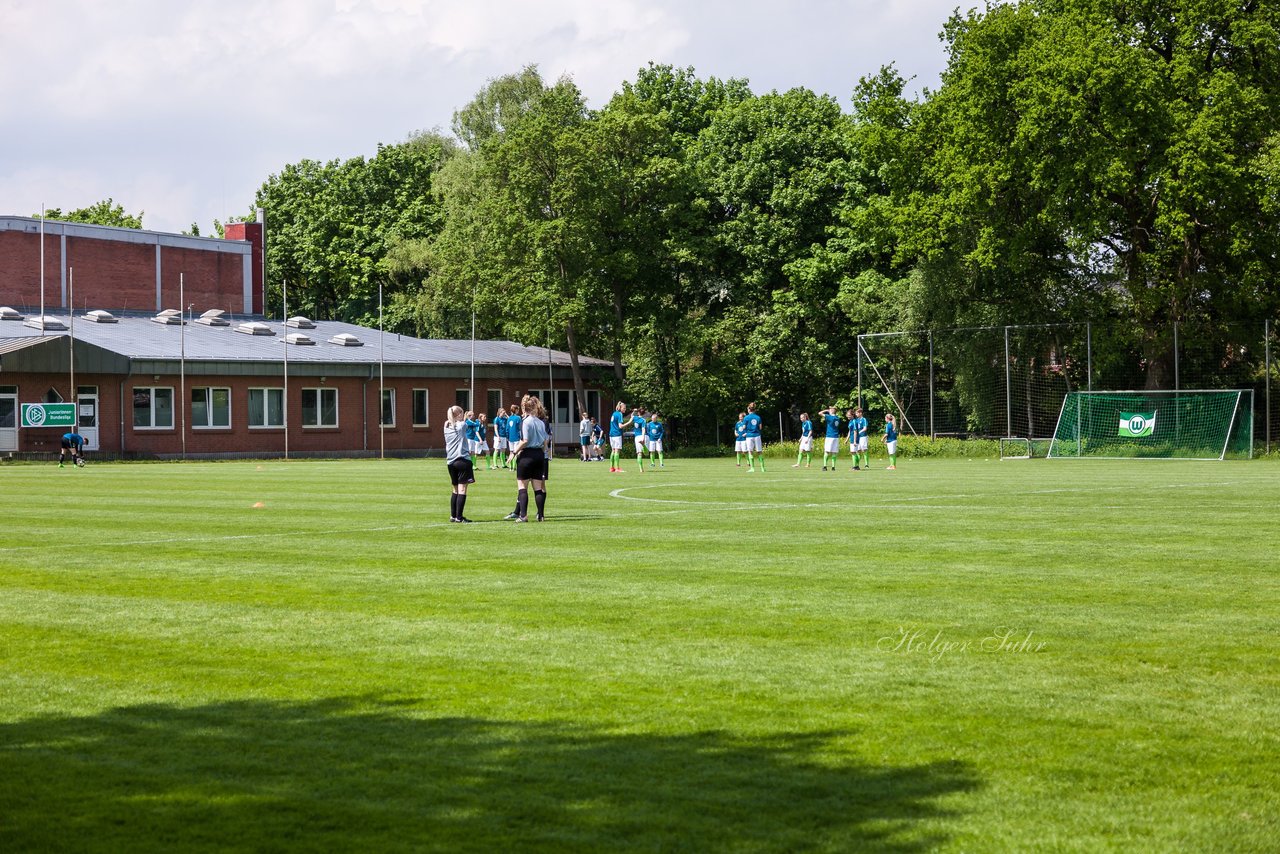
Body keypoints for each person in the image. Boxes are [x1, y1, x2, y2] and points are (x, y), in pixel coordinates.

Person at [508, 394, 551, 522]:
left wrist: (514, 452)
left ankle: (523, 515)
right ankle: (541, 515)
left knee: (522, 486)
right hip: (539, 455)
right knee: (538, 487)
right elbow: (545, 442)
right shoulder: (541, 422)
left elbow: (524, 441)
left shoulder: (526, 422)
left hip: (527, 455)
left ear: (525, 409)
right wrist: (545, 454)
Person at [443, 406, 475, 522]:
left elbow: (452, 422)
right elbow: (465, 424)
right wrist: (464, 417)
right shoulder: (461, 425)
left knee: (455, 490)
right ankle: (459, 517)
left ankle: (453, 515)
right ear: (459, 414)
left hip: (450, 462)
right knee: (462, 490)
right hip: (462, 460)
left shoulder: (446, 426)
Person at [608, 401, 634, 473]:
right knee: (617, 450)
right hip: (617, 434)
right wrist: (629, 421)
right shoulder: (619, 414)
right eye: (624, 408)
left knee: (613, 450)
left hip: (611, 434)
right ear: (620, 408)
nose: (625, 409)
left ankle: (612, 468)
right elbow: (620, 426)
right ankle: (617, 468)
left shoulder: (614, 413)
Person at [743, 402, 764, 472]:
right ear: (754, 409)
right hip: (757, 435)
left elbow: (743, 427)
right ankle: (762, 468)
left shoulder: (746, 418)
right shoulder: (758, 417)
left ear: (749, 409)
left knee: (750, 451)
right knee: (759, 452)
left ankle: (752, 468)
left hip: (749, 436)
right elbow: (760, 427)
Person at [820, 405, 841, 471]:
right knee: (834, 452)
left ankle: (825, 466)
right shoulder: (837, 418)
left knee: (826, 451)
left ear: (832, 410)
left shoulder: (829, 417)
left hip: (829, 436)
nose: (829, 410)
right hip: (836, 437)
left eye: (830, 409)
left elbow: (820, 413)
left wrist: (826, 410)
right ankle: (833, 467)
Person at [849, 406, 869, 471]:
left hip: (863, 436)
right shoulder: (856, 420)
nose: (856, 414)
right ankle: (857, 465)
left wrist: (859, 432)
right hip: (857, 437)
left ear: (860, 413)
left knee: (864, 450)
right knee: (858, 451)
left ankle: (866, 464)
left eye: (857, 413)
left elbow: (865, 428)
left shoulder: (864, 419)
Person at [505, 403, 524, 469]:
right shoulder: (518, 418)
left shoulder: (509, 418)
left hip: (510, 438)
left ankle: (510, 467)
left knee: (511, 452)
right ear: (516, 410)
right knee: (516, 452)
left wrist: (507, 437)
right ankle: (514, 467)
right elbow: (520, 428)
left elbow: (507, 429)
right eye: (518, 410)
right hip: (517, 437)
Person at [631, 407, 648, 473]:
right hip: (643, 436)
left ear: (638, 412)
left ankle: (641, 469)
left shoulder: (635, 418)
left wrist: (633, 411)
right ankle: (643, 445)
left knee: (639, 454)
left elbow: (632, 416)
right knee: (646, 454)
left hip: (637, 437)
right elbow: (643, 429)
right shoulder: (643, 420)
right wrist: (643, 438)